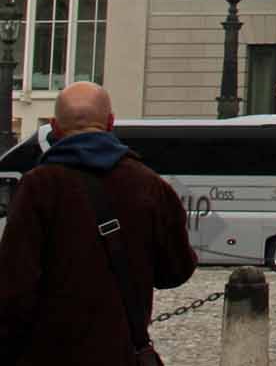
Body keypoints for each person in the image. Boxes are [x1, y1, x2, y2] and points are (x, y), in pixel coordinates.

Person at [0, 81, 197, 364]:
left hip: (48, 353)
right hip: (122, 352)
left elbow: (14, 285)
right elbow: (175, 271)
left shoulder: (38, 187)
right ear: (111, 122)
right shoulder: (150, 185)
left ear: (55, 127)